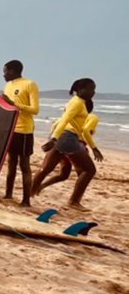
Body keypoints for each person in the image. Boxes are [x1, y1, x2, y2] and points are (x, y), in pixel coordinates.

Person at [31, 79, 103, 211]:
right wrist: (54, 139)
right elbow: (64, 120)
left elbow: (62, 121)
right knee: (89, 170)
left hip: (62, 135)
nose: (93, 92)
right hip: (67, 138)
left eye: (94, 89)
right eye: (90, 89)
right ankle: (74, 201)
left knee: (45, 169)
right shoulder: (77, 103)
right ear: (80, 89)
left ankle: (29, 194)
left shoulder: (76, 102)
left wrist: (54, 136)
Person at [36, 101, 103, 194]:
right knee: (84, 172)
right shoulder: (92, 117)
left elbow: (54, 126)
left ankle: (39, 187)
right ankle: (75, 199)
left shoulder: (72, 117)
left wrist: (54, 140)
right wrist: (94, 148)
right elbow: (86, 131)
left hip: (61, 143)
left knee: (63, 174)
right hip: (76, 146)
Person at [0, 60, 39, 207]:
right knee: (11, 163)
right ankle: (8, 194)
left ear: (12, 71)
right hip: (10, 129)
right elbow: (6, 106)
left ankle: (26, 200)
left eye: (5, 71)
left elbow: (35, 109)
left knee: (24, 165)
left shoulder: (29, 84)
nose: (3, 75)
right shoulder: (8, 86)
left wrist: (14, 103)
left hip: (24, 130)